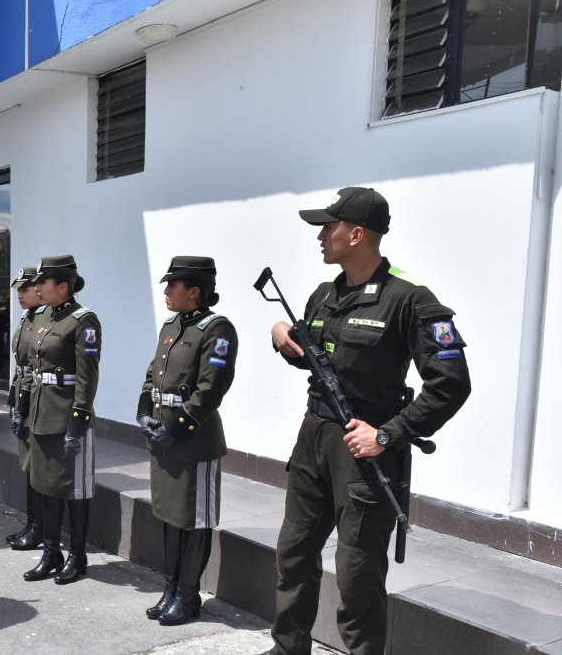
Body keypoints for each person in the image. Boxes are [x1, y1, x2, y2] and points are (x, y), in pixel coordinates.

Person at [267, 187, 472, 655]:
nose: (320, 236)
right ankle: (288, 648)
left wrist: (388, 434)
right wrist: (281, 335)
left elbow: (451, 383)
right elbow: (317, 357)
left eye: (328, 227)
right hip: (314, 438)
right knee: (293, 554)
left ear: (356, 234)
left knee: (357, 574)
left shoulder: (409, 298)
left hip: (365, 451)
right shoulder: (325, 293)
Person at [137, 256, 237, 626]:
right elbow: (154, 373)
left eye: (172, 285)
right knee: (170, 515)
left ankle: (188, 595)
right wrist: (144, 412)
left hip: (194, 441)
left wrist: (175, 429)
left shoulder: (217, 329)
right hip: (164, 437)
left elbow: (211, 389)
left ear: (194, 292)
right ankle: (171, 588)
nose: (166, 291)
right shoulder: (172, 325)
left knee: (194, 520)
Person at [22, 254, 100, 585]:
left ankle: (77, 556)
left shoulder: (83, 321)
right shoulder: (43, 317)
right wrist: (23, 408)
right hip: (41, 415)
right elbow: (34, 368)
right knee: (46, 488)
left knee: (75, 491)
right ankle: (51, 552)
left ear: (63, 286)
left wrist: (78, 424)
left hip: (68, 418)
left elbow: (87, 378)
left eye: (43, 282)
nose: (37, 287)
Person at [6, 266, 46, 550]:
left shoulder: (44, 319)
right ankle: (32, 523)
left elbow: (35, 367)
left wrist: (22, 405)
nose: (20, 295)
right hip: (22, 392)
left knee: (37, 467)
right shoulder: (27, 318)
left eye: (25, 289)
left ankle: (39, 528)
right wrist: (13, 400)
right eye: (18, 290)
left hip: (35, 398)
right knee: (28, 466)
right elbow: (20, 366)